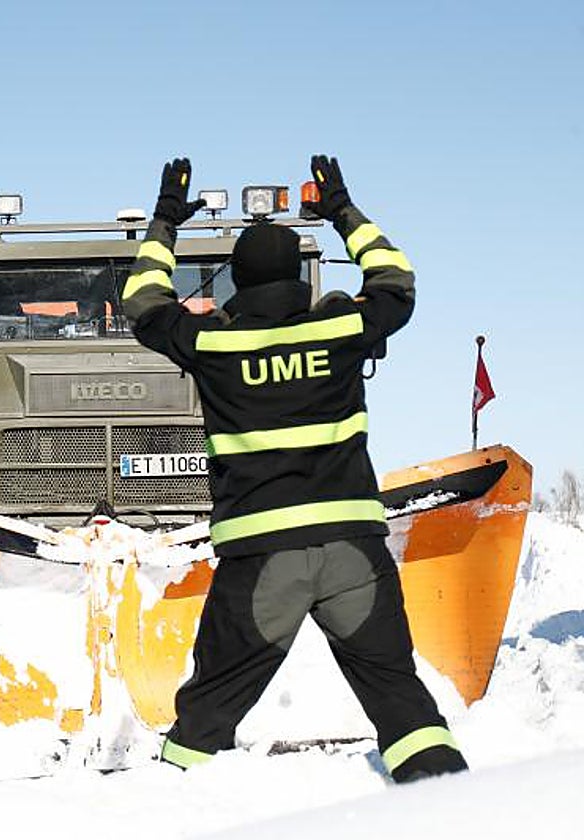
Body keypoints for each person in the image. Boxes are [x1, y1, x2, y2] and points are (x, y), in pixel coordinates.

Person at [120, 154, 469, 784]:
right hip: (353, 554)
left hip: (260, 559)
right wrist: (342, 209)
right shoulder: (342, 328)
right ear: (298, 280)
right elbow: (396, 280)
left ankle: (168, 805)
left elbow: (142, 301)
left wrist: (167, 218)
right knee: (401, 702)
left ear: (237, 285)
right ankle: (449, 805)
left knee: (206, 717)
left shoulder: (215, 344)